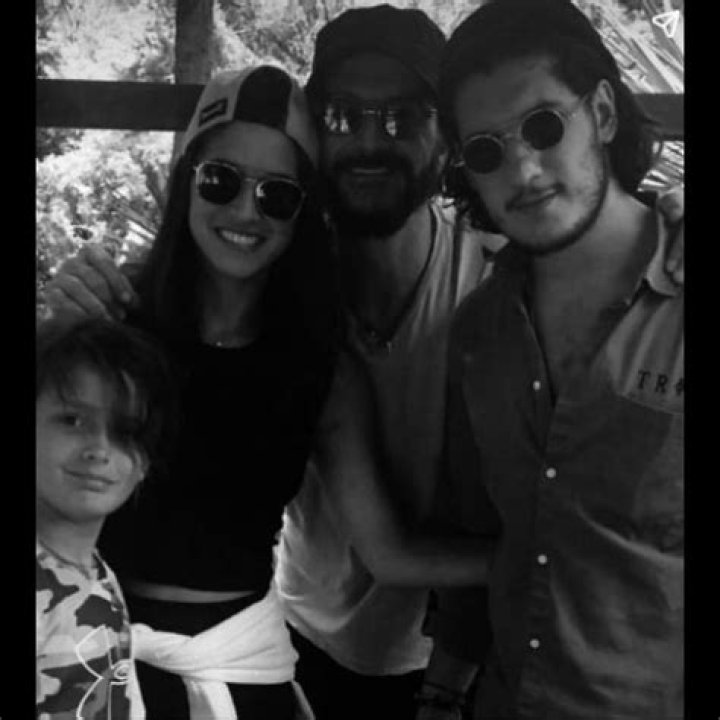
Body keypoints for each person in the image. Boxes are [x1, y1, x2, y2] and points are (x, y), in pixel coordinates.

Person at [42, 6, 685, 719]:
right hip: (272, 638)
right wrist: (67, 319)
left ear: (446, 141)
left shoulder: (491, 281)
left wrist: (665, 221)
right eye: (345, 117)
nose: (373, 140)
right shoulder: (163, 319)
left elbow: (593, 232)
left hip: (452, 657)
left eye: (404, 117)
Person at [46, 65, 340, 719]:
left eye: (277, 195)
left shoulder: (315, 358)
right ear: (187, 182)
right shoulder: (112, 317)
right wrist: (50, 335)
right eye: (221, 180)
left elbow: (388, 549)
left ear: (302, 214)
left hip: (242, 668)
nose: (245, 210)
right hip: (89, 649)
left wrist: (536, 554)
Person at [424, 0, 684, 717]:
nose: (523, 168)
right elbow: (486, 538)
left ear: (602, 113)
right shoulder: (479, 334)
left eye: (543, 126)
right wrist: (441, 693)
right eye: (486, 150)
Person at [36, 317, 175, 720]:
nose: (99, 449)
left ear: (145, 463)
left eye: (126, 431)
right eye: (73, 420)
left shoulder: (95, 571)